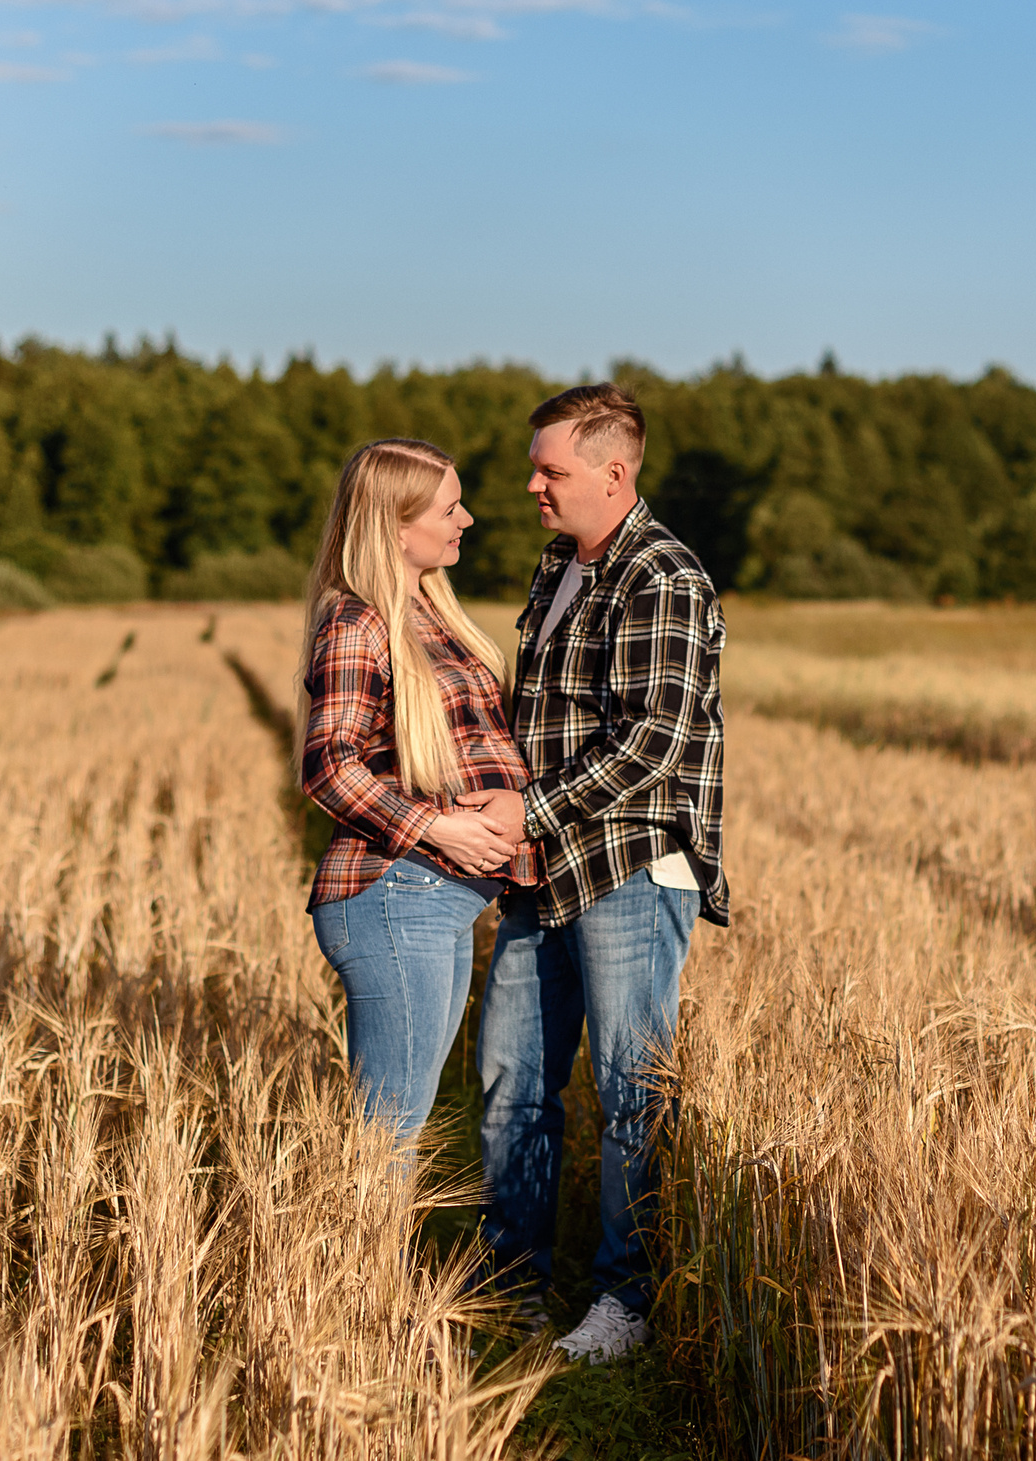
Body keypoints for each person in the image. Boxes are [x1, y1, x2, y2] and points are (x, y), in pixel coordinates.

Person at [454, 383, 730, 1364]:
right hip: (548, 870)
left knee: (628, 1090)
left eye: (550, 469)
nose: (530, 483)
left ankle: (624, 1300)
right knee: (511, 1079)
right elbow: (546, 720)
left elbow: (650, 740)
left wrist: (523, 811)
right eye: (535, 466)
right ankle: (510, 1284)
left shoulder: (661, 572)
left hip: (627, 871)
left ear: (614, 473)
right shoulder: (558, 565)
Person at [298, 437, 539, 1154]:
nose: (466, 519)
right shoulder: (357, 621)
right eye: (450, 506)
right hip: (398, 895)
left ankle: (372, 1266)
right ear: (396, 525)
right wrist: (440, 829)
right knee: (387, 1134)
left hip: (435, 899)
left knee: (401, 1120)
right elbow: (328, 767)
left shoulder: (431, 612)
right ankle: (360, 1268)